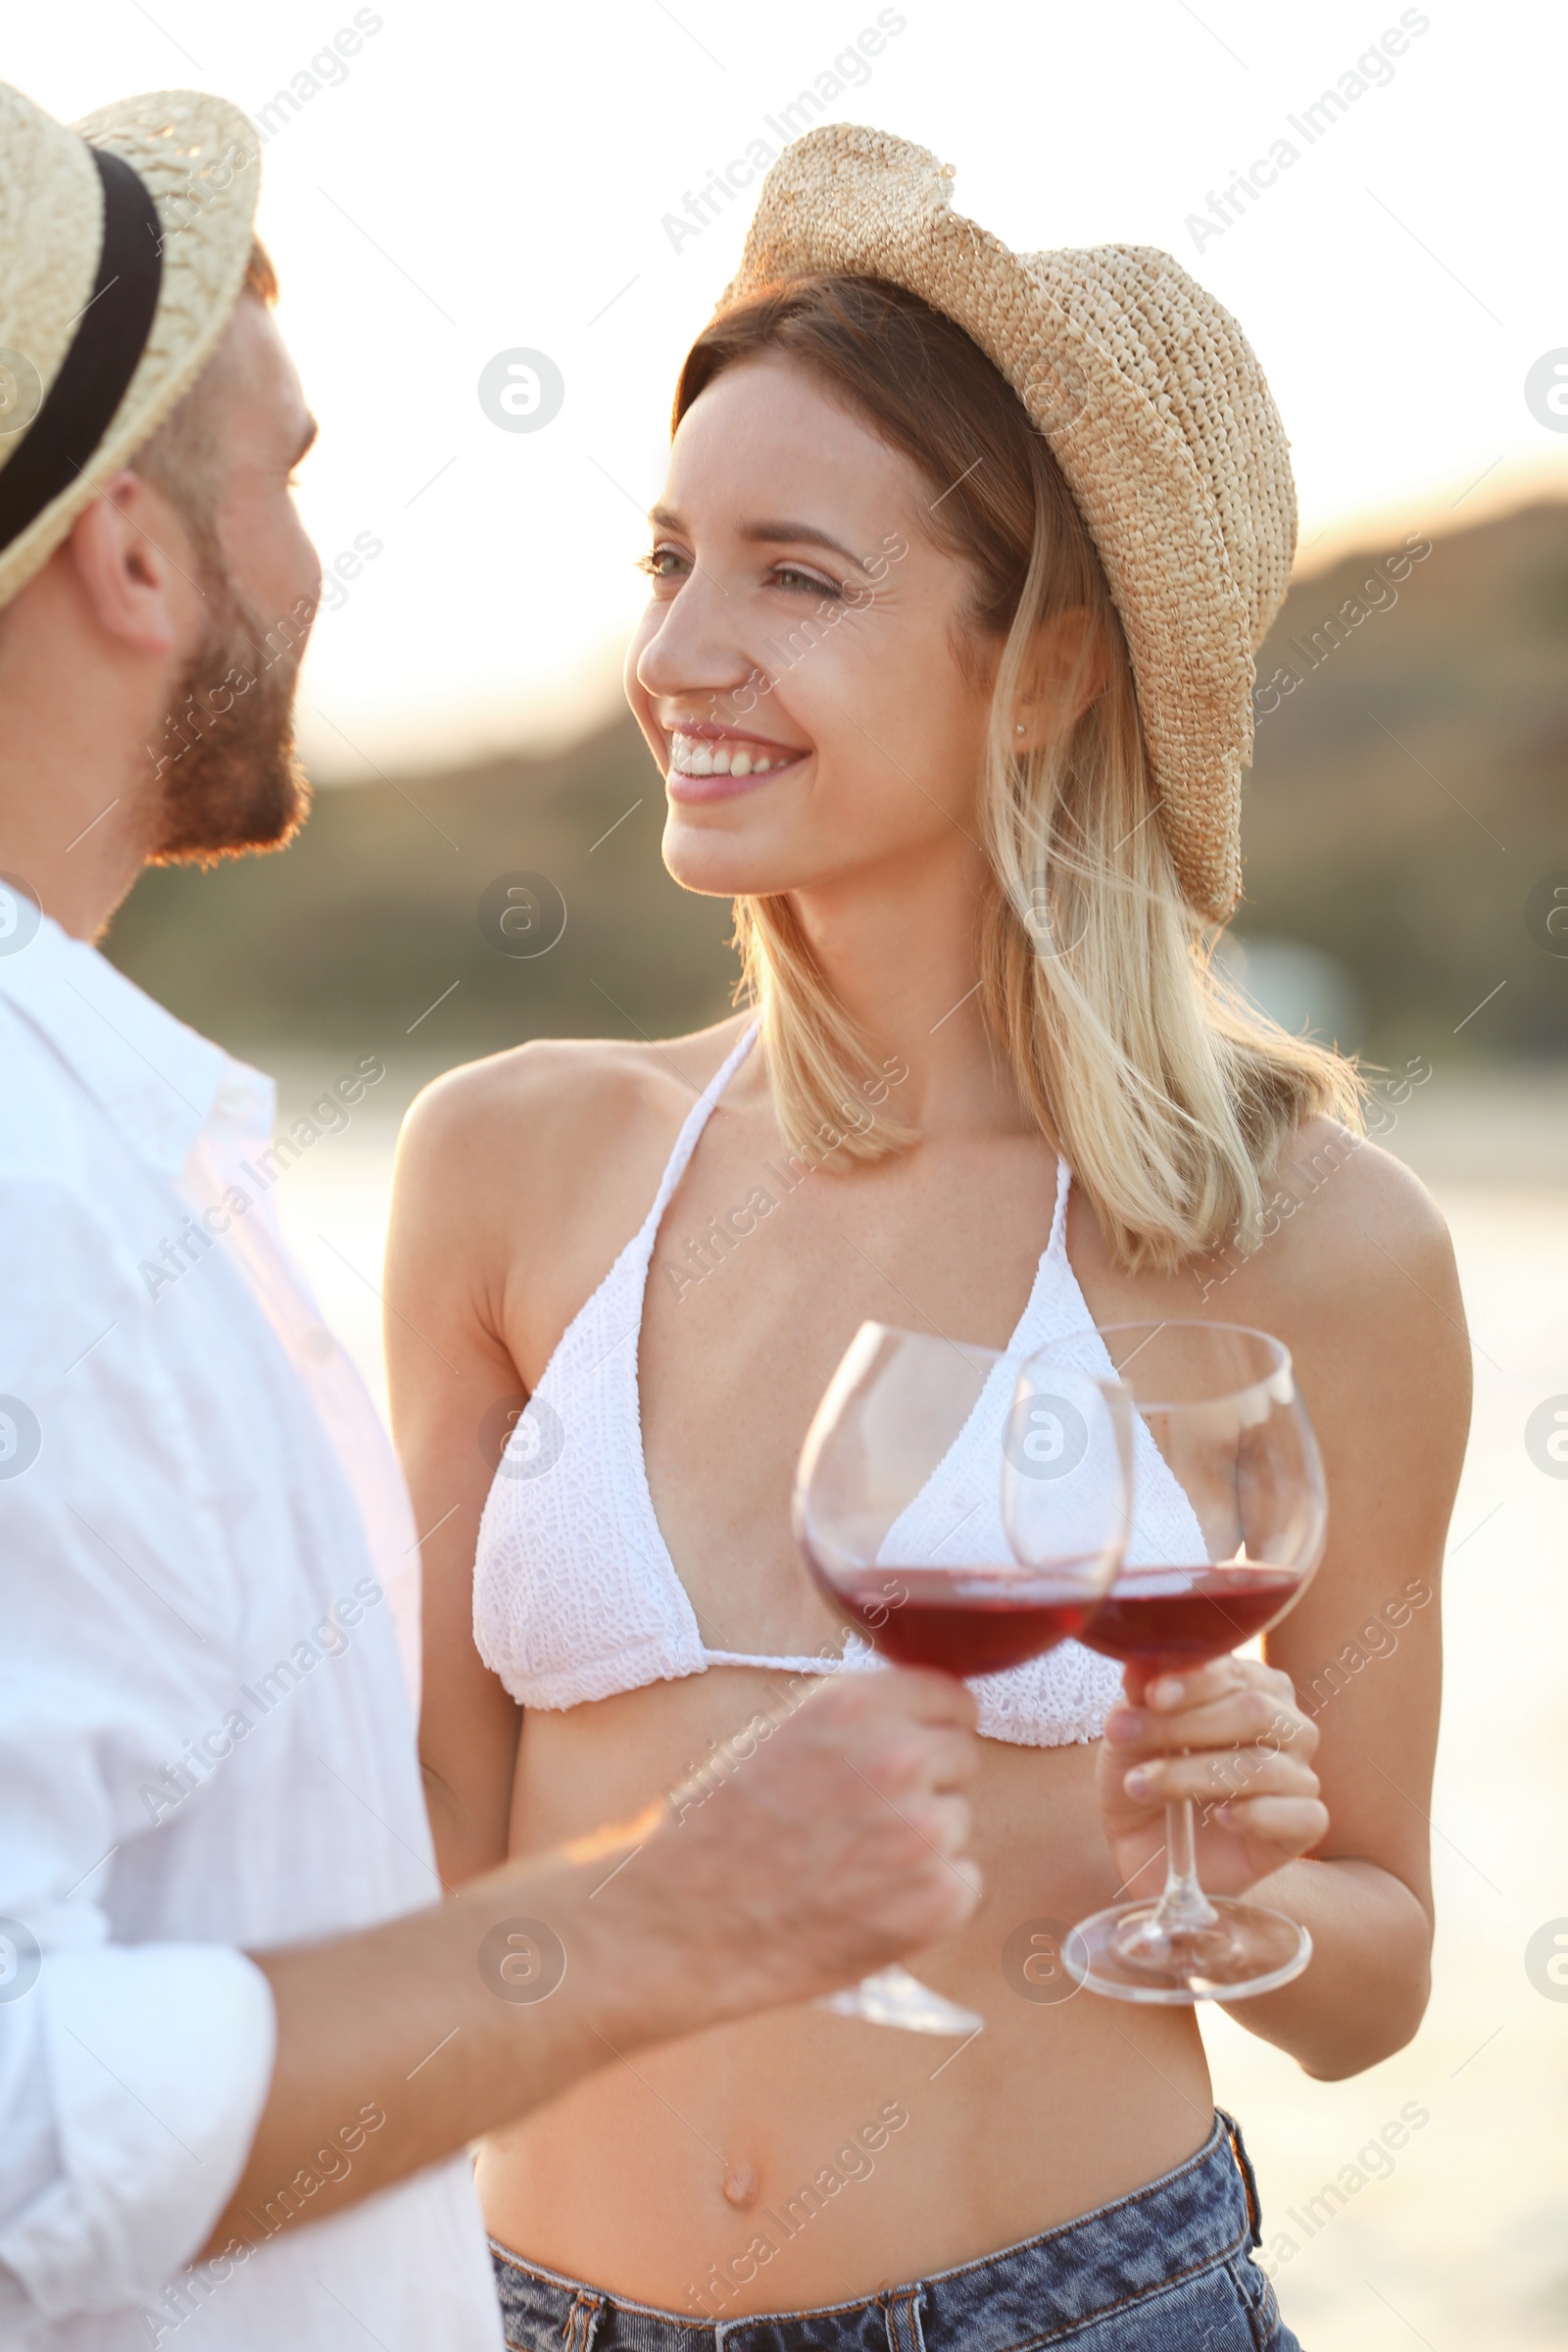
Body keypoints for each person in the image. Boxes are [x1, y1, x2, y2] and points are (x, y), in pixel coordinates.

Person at [391, 125, 1471, 2349]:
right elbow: (413, 1881)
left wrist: (1252, 1886)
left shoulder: (1299, 1244)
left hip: (1074, 2309)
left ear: (1053, 668)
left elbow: (1372, 1980)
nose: (679, 651)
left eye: (793, 576)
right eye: (666, 558)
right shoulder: (508, 1168)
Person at [0, 86, 985, 2352]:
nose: (320, 555)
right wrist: (669, 1926)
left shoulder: (119, 1143)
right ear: (138, 563)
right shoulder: (38, 1197)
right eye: (292, 474)